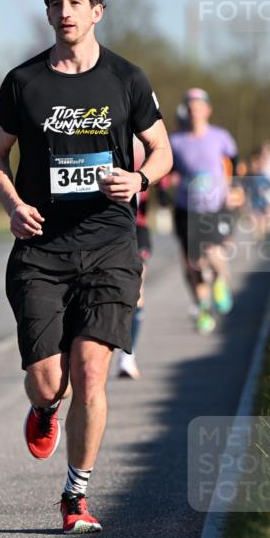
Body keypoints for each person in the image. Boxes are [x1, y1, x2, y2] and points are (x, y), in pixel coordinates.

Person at [0, 0, 173, 533]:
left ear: (97, 10)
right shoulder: (24, 82)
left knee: (91, 370)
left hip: (111, 243)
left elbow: (161, 151)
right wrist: (14, 204)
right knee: (50, 380)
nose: (64, 12)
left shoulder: (127, 79)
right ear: (47, 12)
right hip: (42, 249)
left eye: (74, 2)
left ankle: (76, 496)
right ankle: (44, 409)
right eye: (54, 3)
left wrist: (139, 181)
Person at [169, 88, 238, 335]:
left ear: (208, 110)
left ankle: (219, 281)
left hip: (216, 205)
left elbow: (235, 163)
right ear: (185, 111)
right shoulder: (175, 141)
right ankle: (203, 308)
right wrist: (168, 185)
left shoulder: (221, 137)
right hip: (186, 208)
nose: (194, 112)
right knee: (192, 263)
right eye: (190, 108)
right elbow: (166, 171)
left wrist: (234, 188)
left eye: (199, 107)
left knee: (213, 253)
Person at [117, 136, 151, 380]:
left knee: (137, 290)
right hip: (107, 225)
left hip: (137, 225)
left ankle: (128, 357)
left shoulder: (145, 138)